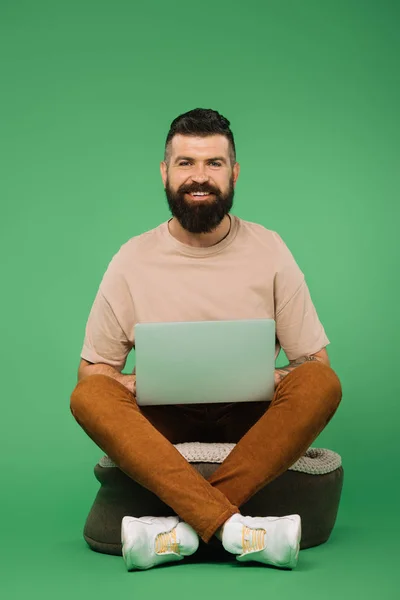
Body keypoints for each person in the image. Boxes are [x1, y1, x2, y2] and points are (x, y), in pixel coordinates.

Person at [70, 108, 342, 572]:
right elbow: (92, 371)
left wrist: (270, 376)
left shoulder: (270, 249)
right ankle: (239, 530)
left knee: (322, 383)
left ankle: (180, 533)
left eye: (214, 164)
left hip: (249, 422)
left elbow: (314, 360)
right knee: (89, 394)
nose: (200, 178)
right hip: (164, 423)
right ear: (165, 172)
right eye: (186, 163)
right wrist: (136, 382)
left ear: (234, 173)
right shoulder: (130, 259)